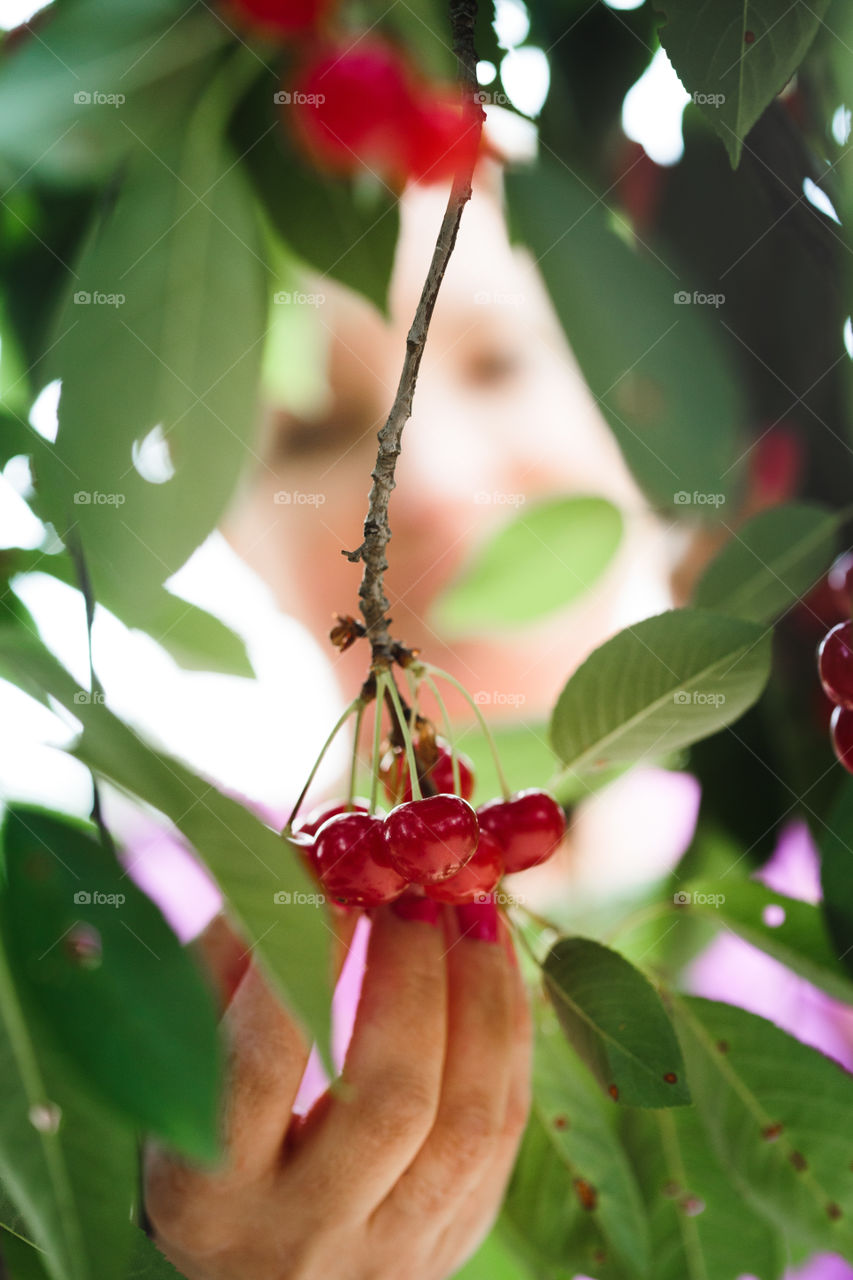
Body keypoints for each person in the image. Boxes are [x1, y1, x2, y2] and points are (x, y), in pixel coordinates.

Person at [142, 162, 680, 1277]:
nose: (427, 484)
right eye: (316, 426)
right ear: (232, 532)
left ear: (645, 411)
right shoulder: (117, 946)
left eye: (496, 362)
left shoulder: (822, 920)